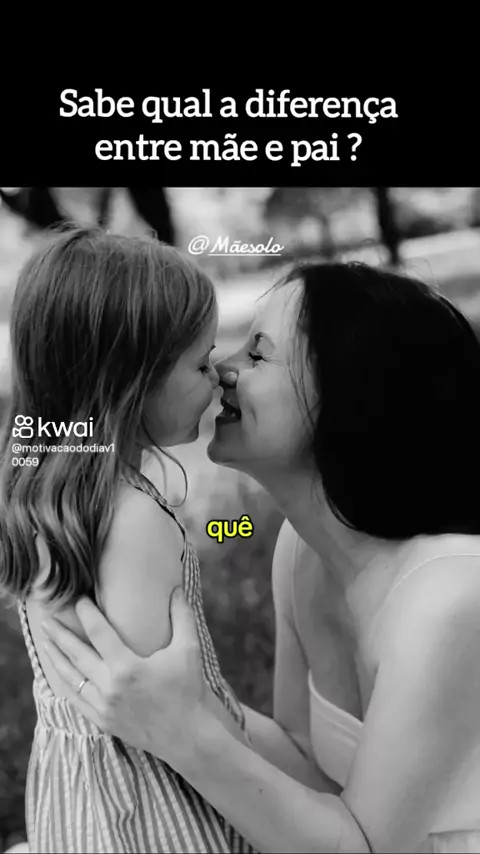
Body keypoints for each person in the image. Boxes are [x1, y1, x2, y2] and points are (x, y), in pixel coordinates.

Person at [41, 261, 480, 853]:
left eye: (258, 354)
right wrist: (179, 699)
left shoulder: (450, 599)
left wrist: (186, 735)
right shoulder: (300, 553)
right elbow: (306, 766)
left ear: (350, 394)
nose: (221, 368)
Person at [0, 226, 264, 853]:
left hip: (82, 800)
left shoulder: (51, 497)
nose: (217, 376)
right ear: (130, 380)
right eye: (199, 362)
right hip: (154, 809)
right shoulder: (132, 516)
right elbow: (172, 707)